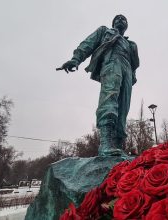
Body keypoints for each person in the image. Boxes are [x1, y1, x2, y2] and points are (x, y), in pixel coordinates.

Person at [59, 15, 139, 156]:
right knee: (109, 97)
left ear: (127, 26)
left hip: (127, 69)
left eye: (124, 19)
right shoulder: (104, 31)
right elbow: (88, 44)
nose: (120, 20)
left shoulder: (131, 44)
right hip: (111, 62)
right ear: (113, 23)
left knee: (123, 108)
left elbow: (135, 64)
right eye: (117, 18)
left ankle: (118, 144)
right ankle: (106, 144)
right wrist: (76, 59)